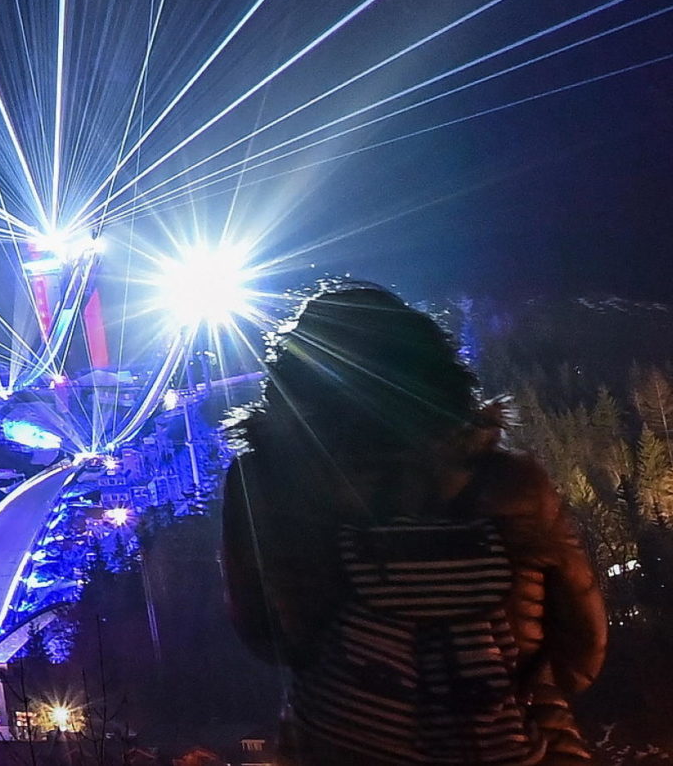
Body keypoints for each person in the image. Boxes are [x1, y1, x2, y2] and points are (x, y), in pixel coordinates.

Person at [220, 283, 607, 766]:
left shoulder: (266, 484)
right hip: (508, 744)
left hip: (339, 745)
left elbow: (262, 634)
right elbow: (582, 646)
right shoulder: (511, 485)